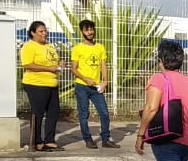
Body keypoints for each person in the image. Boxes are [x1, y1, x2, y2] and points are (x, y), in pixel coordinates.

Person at [70, 19, 119, 149]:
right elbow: (73, 69)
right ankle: (88, 139)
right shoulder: (77, 49)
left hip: (96, 87)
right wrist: (85, 79)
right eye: (87, 30)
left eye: (91, 29)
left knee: (104, 113)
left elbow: (103, 65)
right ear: (82, 32)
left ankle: (105, 139)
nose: (90, 32)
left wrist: (105, 81)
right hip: (82, 86)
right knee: (84, 114)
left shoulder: (100, 47)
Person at [19, 20, 62, 152]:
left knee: (53, 111)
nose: (44, 34)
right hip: (36, 83)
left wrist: (60, 62)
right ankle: (36, 141)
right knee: (38, 113)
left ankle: (49, 140)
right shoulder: (29, 46)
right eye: (41, 31)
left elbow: (54, 60)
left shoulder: (49, 46)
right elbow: (28, 65)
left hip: (52, 83)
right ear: (33, 33)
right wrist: (49, 69)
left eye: (45, 31)